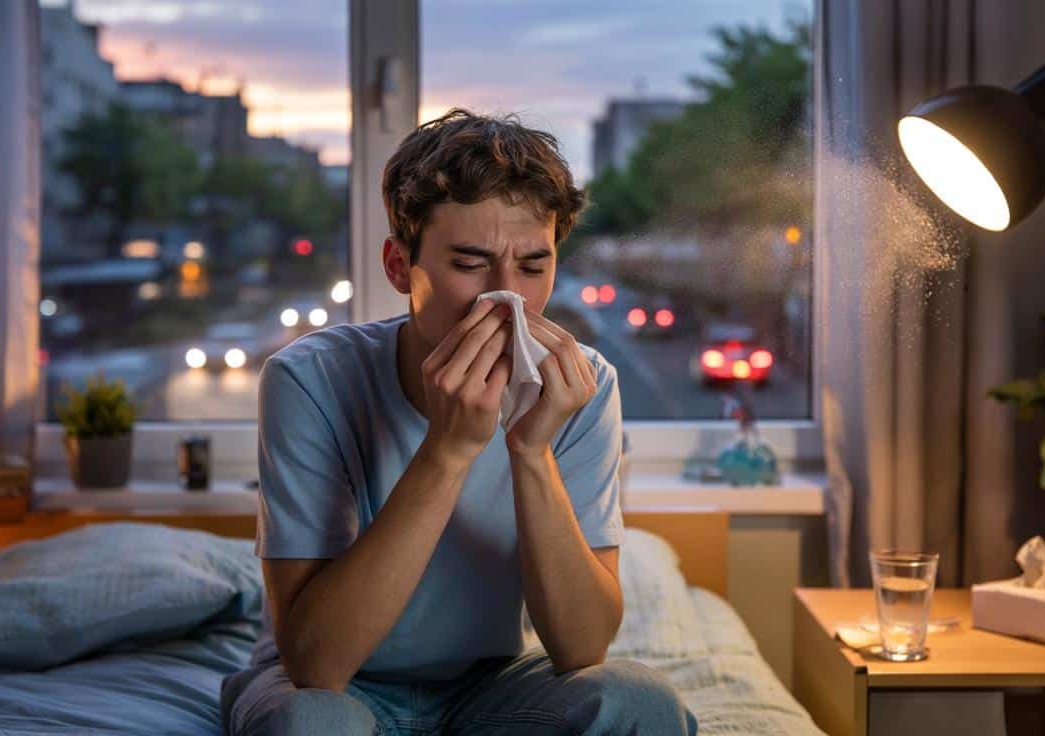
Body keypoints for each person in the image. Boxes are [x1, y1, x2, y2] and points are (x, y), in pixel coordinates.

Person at [221, 108, 698, 735]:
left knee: (639, 701)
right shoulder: (308, 381)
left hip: (491, 686)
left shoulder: (584, 387)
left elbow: (581, 648)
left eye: (533, 267)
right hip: (337, 686)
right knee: (309, 722)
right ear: (399, 267)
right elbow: (316, 663)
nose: (505, 300)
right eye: (470, 264)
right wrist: (446, 452)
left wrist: (532, 451)